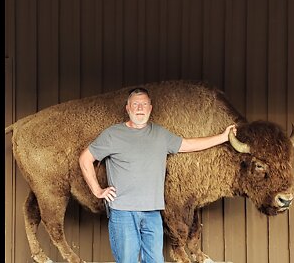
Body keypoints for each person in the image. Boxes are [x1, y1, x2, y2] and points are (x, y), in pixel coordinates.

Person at [79, 87, 236, 263]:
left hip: (152, 213)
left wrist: (223, 137)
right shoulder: (113, 134)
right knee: (127, 261)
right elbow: (85, 158)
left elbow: (188, 144)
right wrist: (97, 190)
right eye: (135, 104)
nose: (140, 108)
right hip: (122, 213)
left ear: (150, 108)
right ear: (127, 108)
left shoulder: (160, 134)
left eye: (144, 104)